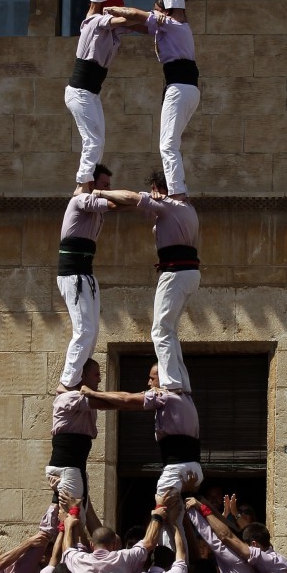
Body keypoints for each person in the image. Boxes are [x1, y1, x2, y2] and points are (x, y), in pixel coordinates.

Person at [96, 174, 200, 393]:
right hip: (188, 273)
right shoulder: (185, 207)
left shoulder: (168, 205)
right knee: (169, 330)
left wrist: (99, 193)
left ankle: (171, 383)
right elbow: (135, 208)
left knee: (160, 330)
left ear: (158, 189)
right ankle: (182, 382)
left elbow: (130, 197)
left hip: (175, 272)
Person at [107, 1, 199, 198]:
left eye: (156, 9)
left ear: (166, 11)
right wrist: (111, 23)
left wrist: (109, 10)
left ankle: (177, 193)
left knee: (167, 145)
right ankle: (177, 189)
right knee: (170, 143)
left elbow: (134, 13)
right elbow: (136, 24)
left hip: (180, 87)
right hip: (185, 88)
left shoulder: (172, 24)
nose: (153, 13)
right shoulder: (164, 28)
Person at [82, 362, 203, 499]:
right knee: (185, 514)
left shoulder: (164, 396)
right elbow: (127, 398)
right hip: (195, 470)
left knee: (160, 513)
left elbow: (127, 400)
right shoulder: (186, 397)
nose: (148, 382)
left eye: (152, 378)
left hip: (176, 469)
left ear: (163, 379)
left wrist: (92, 393)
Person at [56, 170, 113, 394]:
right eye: (104, 184)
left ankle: (79, 376)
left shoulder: (95, 204)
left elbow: (114, 203)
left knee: (93, 332)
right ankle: (67, 382)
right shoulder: (80, 200)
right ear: (91, 183)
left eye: (109, 185)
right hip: (73, 276)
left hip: (86, 275)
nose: (108, 189)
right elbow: (114, 203)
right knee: (84, 331)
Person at [66, 5, 123, 189]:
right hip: (80, 92)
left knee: (99, 141)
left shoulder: (111, 33)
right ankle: (82, 184)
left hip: (91, 94)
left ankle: (93, 179)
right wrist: (149, 16)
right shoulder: (94, 22)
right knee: (93, 141)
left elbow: (137, 25)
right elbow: (126, 20)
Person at [47, 360, 100, 507]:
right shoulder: (72, 397)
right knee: (73, 517)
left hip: (74, 465)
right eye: (96, 375)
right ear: (82, 375)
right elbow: (109, 401)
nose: (100, 379)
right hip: (68, 466)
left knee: (76, 511)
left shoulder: (84, 398)